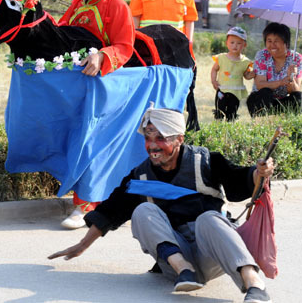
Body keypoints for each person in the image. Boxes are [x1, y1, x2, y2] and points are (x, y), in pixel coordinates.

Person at [49, 105, 275, 303]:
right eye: (148, 138)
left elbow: (238, 181)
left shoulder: (205, 161)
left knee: (209, 218)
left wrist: (259, 173)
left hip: (213, 252)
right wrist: (82, 245)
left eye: (161, 138)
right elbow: (111, 211)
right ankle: (185, 272)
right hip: (174, 260)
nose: (152, 146)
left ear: (179, 138)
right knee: (143, 211)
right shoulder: (141, 176)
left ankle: (255, 285)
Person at [57, 0, 135, 228]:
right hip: (78, 86)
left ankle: (85, 206)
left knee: (90, 140)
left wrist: (102, 56)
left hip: (105, 85)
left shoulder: (117, 6)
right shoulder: (77, 4)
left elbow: (125, 47)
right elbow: (60, 31)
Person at [247, 22, 302, 117]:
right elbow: (260, 85)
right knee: (265, 92)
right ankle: (262, 121)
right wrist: (281, 82)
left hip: (282, 100)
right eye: (269, 41)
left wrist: (290, 78)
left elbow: (295, 90)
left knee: (299, 97)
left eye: (276, 41)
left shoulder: (298, 59)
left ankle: (292, 126)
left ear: (286, 43)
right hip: (261, 100)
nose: (272, 45)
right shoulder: (262, 55)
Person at [211, 27, 255, 121]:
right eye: (232, 42)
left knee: (232, 111)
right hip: (222, 89)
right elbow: (214, 70)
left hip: (236, 91)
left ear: (244, 45)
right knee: (220, 110)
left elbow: (246, 75)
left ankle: (229, 128)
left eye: (239, 43)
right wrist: (214, 81)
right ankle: (218, 128)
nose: (235, 46)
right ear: (226, 43)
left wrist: (252, 74)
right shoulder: (221, 58)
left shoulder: (245, 62)